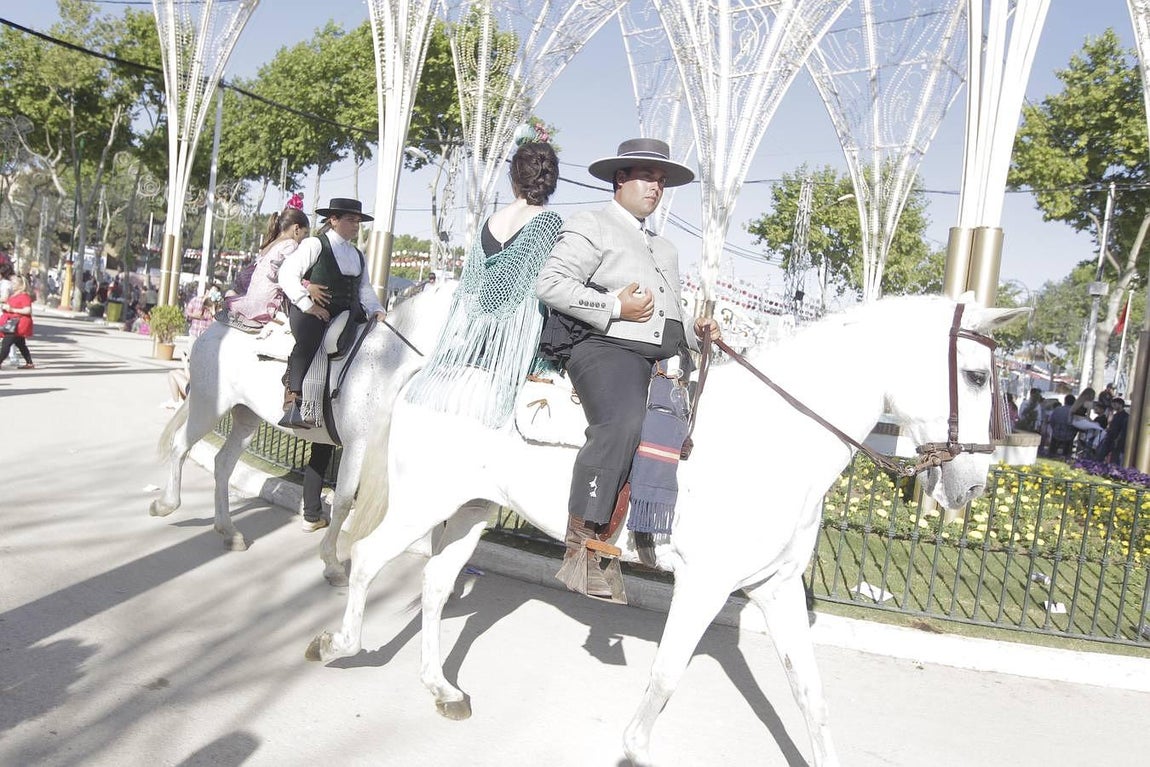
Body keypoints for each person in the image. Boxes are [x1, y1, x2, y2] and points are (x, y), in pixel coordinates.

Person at [536, 137, 721, 600]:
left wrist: (697, 332)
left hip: (660, 357)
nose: (656, 187)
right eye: (647, 177)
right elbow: (551, 284)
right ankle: (582, 547)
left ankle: (657, 536)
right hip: (603, 346)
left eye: (661, 180)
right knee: (622, 422)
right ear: (620, 179)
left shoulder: (668, 249)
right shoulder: (591, 224)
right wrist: (612, 305)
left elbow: (667, 313)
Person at [406, 132, 562, 427]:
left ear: (514, 177)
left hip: (472, 340)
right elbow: (547, 291)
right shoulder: (549, 223)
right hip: (514, 348)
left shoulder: (489, 222)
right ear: (550, 180)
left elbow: (471, 289)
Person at [276, 197, 385, 429]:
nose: (356, 226)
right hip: (311, 312)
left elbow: (364, 288)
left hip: (346, 313)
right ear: (334, 220)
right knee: (310, 340)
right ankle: (293, 395)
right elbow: (287, 274)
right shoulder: (315, 244)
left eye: (358, 222)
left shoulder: (358, 255)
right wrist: (308, 305)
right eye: (351, 220)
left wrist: (377, 310)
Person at [226, 200, 311, 325]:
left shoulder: (268, 246)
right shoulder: (291, 244)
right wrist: (307, 286)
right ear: (296, 229)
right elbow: (288, 274)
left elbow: (245, 277)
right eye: (305, 233)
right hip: (267, 302)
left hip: (251, 299)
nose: (305, 238)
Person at [0, 275, 35, 369]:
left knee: (6, 343)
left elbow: (28, 310)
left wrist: (12, 309)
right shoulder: (13, 295)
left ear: (20, 285)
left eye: (14, 283)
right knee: (20, 344)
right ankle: (29, 363)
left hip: (18, 324)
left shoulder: (24, 296)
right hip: (12, 322)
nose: (12, 285)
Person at [1096, 398, 1129, 464]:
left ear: (1120, 405)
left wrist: (1118, 439)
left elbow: (1123, 430)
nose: (1113, 406)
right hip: (1109, 437)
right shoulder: (1115, 415)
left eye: (1115, 404)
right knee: (1100, 454)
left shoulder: (1125, 416)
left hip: (1117, 440)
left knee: (1114, 458)